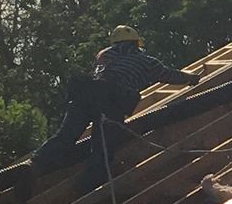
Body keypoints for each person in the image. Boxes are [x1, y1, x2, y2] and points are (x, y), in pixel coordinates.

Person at [29, 27, 191, 188]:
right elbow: (169, 75)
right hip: (111, 101)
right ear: (136, 43)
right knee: (103, 148)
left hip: (85, 92)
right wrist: (191, 78)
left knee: (66, 135)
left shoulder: (105, 56)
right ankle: (88, 187)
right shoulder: (146, 61)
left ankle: (34, 164)